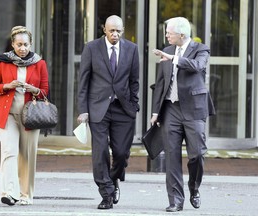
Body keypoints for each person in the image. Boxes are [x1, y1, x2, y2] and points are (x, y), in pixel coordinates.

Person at [151, 17, 215, 212]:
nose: (166, 35)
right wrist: (155, 111)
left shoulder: (200, 49)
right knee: (171, 156)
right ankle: (176, 201)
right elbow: (160, 83)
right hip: (170, 109)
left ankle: (194, 188)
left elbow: (197, 66)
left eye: (169, 32)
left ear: (182, 34)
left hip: (194, 109)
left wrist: (174, 59)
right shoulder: (167, 50)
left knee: (197, 155)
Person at [77, 15, 140, 209]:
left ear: (123, 30)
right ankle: (106, 193)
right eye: (112, 30)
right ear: (104, 29)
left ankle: (113, 179)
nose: (115, 34)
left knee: (121, 153)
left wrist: (134, 104)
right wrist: (83, 110)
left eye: (118, 31)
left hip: (123, 109)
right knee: (100, 152)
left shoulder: (132, 49)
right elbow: (83, 82)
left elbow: (134, 80)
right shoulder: (92, 48)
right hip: (98, 109)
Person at [0, 26, 49, 206]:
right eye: (19, 44)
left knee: (27, 156)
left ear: (30, 44)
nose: (22, 48)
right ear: (13, 44)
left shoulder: (39, 63)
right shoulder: (3, 62)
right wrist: (7, 86)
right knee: (9, 152)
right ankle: (9, 192)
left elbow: (45, 91)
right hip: (7, 115)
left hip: (30, 116)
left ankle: (25, 194)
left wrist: (34, 90)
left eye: (26, 44)